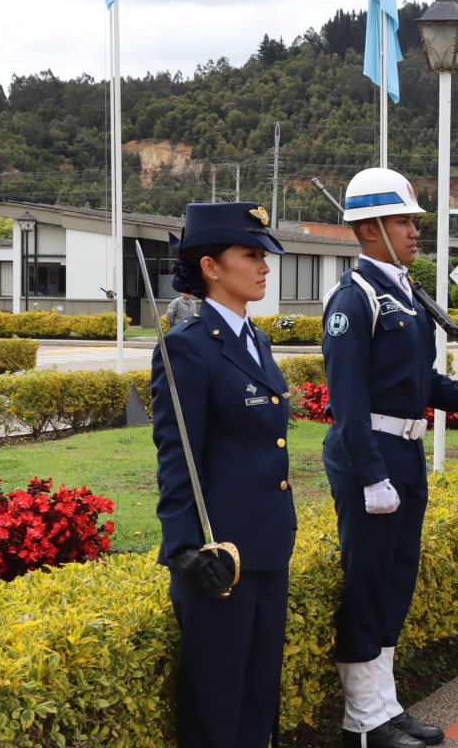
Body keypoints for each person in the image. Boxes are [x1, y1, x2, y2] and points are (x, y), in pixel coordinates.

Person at [322, 168, 458, 748]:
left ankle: (384, 706)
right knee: (368, 583)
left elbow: (422, 384)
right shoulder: (354, 299)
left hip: (405, 451)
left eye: (413, 220)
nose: (415, 231)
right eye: (404, 221)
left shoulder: (404, 294)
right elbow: (349, 402)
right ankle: (362, 719)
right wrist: (370, 474)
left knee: (396, 581)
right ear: (369, 230)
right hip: (373, 457)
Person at [151, 201, 296, 748]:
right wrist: (186, 548)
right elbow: (177, 455)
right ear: (211, 266)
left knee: (259, 694)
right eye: (251, 255)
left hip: (265, 545)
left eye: (264, 256)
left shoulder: (253, 340)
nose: (264, 267)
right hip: (219, 554)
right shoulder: (187, 350)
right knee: (216, 700)